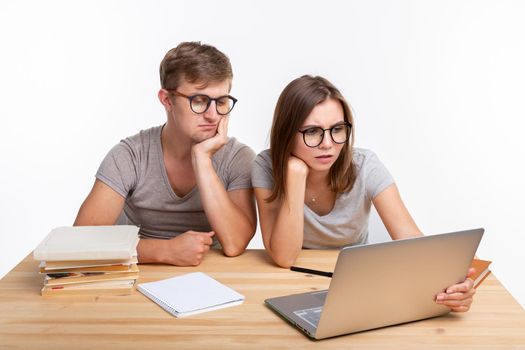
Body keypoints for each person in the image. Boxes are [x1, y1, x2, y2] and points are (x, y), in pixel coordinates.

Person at [251, 75, 476, 312]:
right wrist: (295, 176)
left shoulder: (365, 165)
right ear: (287, 133)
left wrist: (454, 284)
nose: (328, 143)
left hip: (353, 284)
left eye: (337, 129)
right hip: (289, 283)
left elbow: (411, 238)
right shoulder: (265, 167)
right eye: (312, 131)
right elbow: (284, 257)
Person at [74, 42, 256, 266]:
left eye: (221, 102)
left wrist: (202, 160)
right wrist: (164, 250)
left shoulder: (238, 158)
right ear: (167, 100)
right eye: (199, 101)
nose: (212, 115)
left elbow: (235, 243)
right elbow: (79, 241)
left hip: (209, 274)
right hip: (134, 271)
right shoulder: (130, 155)